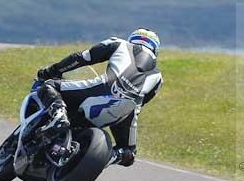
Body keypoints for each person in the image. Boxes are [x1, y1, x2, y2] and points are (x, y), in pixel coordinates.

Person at [36, 28, 163, 167]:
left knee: (49, 86)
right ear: (155, 49)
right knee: (129, 153)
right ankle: (108, 157)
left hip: (101, 89)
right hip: (125, 110)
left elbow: (82, 58)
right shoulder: (158, 78)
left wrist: (53, 70)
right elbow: (140, 105)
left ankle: (59, 116)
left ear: (132, 39)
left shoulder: (119, 43)